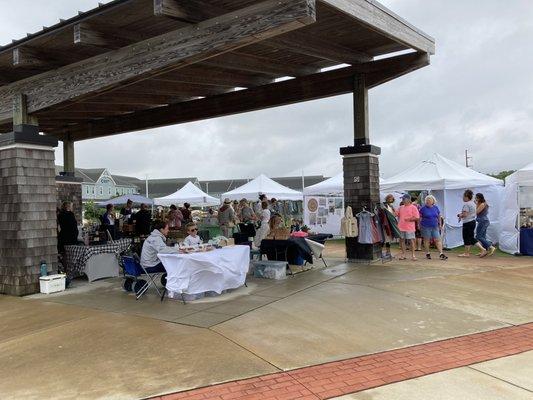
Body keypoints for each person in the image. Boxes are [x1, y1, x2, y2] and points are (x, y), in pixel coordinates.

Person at [419, 195, 448, 260]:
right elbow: (420, 218)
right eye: (427, 200)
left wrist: (440, 224)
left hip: (435, 226)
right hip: (425, 226)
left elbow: (439, 216)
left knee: (438, 239)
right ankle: (427, 253)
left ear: (433, 201)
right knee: (427, 240)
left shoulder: (436, 208)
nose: (427, 201)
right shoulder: (423, 208)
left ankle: (441, 253)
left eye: (429, 200)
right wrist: (419, 225)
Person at [396, 194, 420, 261]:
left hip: (410, 228)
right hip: (401, 227)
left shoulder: (413, 207)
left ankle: (413, 255)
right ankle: (403, 254)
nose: (402, 200)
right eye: (402, 199)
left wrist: (409, 219)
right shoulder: (400, 207)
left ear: (409, 200)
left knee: (411, 241)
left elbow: (417, 217)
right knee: (402, 241)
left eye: (404, 199)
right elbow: (395, 214)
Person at [474, 193, 496, 257]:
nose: (475, 199)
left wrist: (476, 204)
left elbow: (476, 212)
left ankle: (491, 247)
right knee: (482, 237)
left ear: (479, 198)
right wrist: (477, 204)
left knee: (478, 236)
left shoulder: (482, 204)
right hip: (484, 221)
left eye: (476, 198)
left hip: (483, 221)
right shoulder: (483, 204)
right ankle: (484, 251)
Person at [457, 189, 477, 257]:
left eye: (463, 196)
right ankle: (467, 252)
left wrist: (460, 215)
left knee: (466, 237)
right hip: (473, 221)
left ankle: (466, 253)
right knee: (470, 238)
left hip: (467, 222)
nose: (462, 198)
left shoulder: (466, 204)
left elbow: (465, 214)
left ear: (466, 196)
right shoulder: (473, 203)